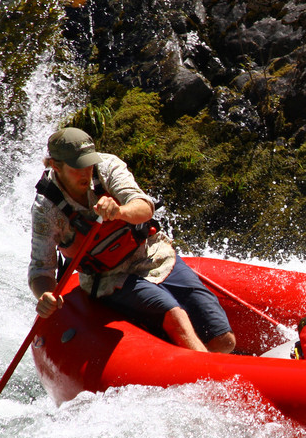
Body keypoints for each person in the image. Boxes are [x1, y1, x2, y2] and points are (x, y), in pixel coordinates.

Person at [28, 127, 236, 353]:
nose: (86, 172)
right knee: (175, 315)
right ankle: (210, 379)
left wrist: (119, 211)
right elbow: (40, 269)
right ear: (56, 166)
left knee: (224, 340)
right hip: (109, 277)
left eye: (88, 163)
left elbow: (144, 207)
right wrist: (45, 294)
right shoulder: (45, 209)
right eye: (78, 167)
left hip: (153, 255)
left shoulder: (107, 167)